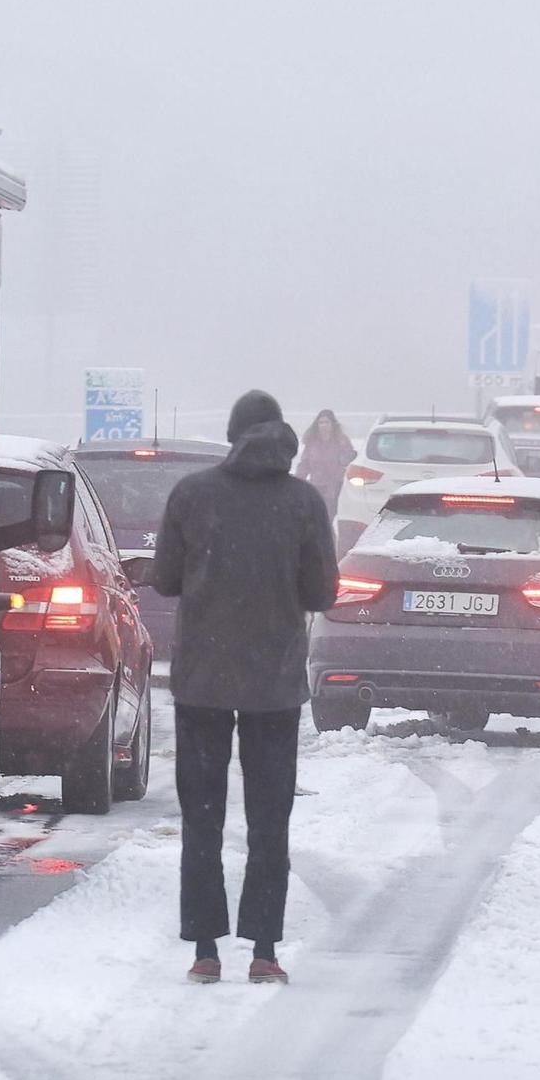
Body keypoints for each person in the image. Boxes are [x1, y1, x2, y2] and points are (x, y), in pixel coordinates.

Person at [153, 390, 338, 985]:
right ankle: (264, 952)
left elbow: (164, 579)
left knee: (202, 818)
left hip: (202, 681)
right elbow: (321, 595)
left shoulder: (192, 494)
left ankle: (206, 951)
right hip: (275, 684)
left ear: (233, 436)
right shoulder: (304, 502)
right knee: (269, 819)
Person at [295, 409, 356, 522]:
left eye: (327, 422)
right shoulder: (312, 442)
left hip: (336, 486)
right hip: (317, 485)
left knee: (328, 517)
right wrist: (298, 481)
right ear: (317, 424)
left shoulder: (341, 440)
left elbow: (349, 458)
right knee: (316, 517)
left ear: (333, 424)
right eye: (321, 422)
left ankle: (328, 537)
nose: (324, 425)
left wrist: (347, 458)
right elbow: (305, 464)